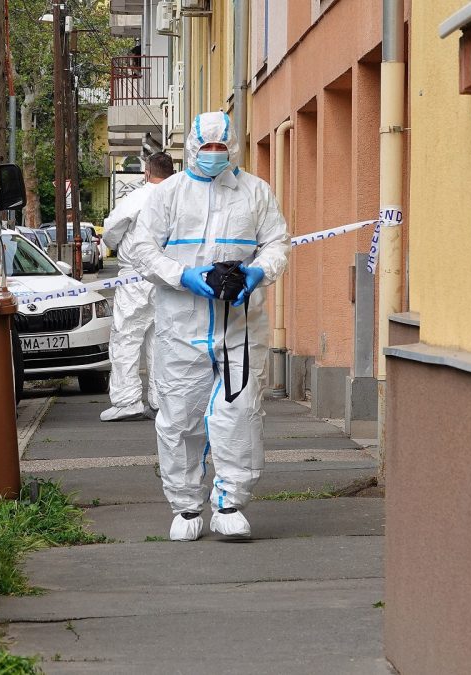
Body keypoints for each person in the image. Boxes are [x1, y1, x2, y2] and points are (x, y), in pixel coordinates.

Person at [130, 112, 289, 541]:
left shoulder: (255, 192)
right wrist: (183, 276)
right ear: (192, 150)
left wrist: (258, 272)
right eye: (207, 148)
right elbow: (142, 249)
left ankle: (230, 503)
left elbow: (277, 242)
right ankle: (185, 506)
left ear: (233, 148)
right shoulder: (169, 194)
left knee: (240, 413)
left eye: (221, 148)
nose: (214, 155)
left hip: (239, 325)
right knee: (180, 415)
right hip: (182, 326)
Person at [99, 152, 175, 422]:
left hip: (136, 277)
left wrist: (119, 245)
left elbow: (111, 231)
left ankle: (127, 400)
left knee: (127, 337)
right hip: (168, 276)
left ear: (147, 173)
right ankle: (160, 400)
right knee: (161, 339)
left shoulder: (138, 197)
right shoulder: (179, 197)